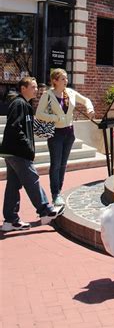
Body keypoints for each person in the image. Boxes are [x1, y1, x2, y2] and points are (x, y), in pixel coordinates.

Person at [1, 76, 64, 232]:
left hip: (11, 151)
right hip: (18, 152)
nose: (37, 90)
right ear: (23, 88)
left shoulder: (25, 105)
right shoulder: (19, 104)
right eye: (33, 87)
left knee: (13, 185)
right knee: (32, 179)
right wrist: (28, 147)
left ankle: (10, 220)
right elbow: (15, 128)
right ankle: (46, 210)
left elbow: (27, 127)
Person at [36, 68, 95, 207]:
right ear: (55, 81)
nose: (66, 81)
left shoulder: (70, 93)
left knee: (63, 164)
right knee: (55, 165)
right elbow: (39, 114)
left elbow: (86, 100)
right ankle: (55, 194)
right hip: (56, 134)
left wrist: (90, 108)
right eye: (63, 79)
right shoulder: (48, 95)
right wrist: (56, 117)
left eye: (66, 78)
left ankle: (59, 191)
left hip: (69, 133)